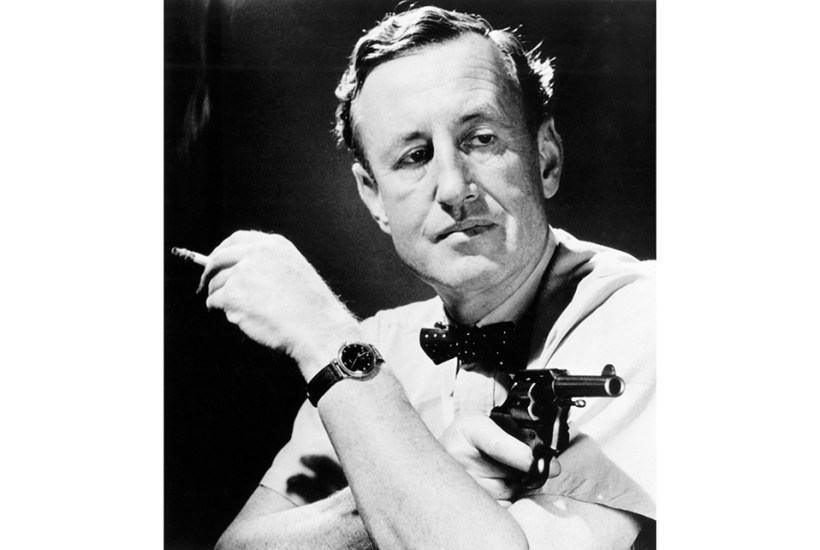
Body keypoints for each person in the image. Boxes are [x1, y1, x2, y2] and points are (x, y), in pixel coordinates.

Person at [200, 6, 655, 549]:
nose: (454, 188)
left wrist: (323, 337)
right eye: (415, 156)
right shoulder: (375, 348)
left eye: (481, 139)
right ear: (375, 198)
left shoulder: (651, 318)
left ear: (546, 159)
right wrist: (399, 488)